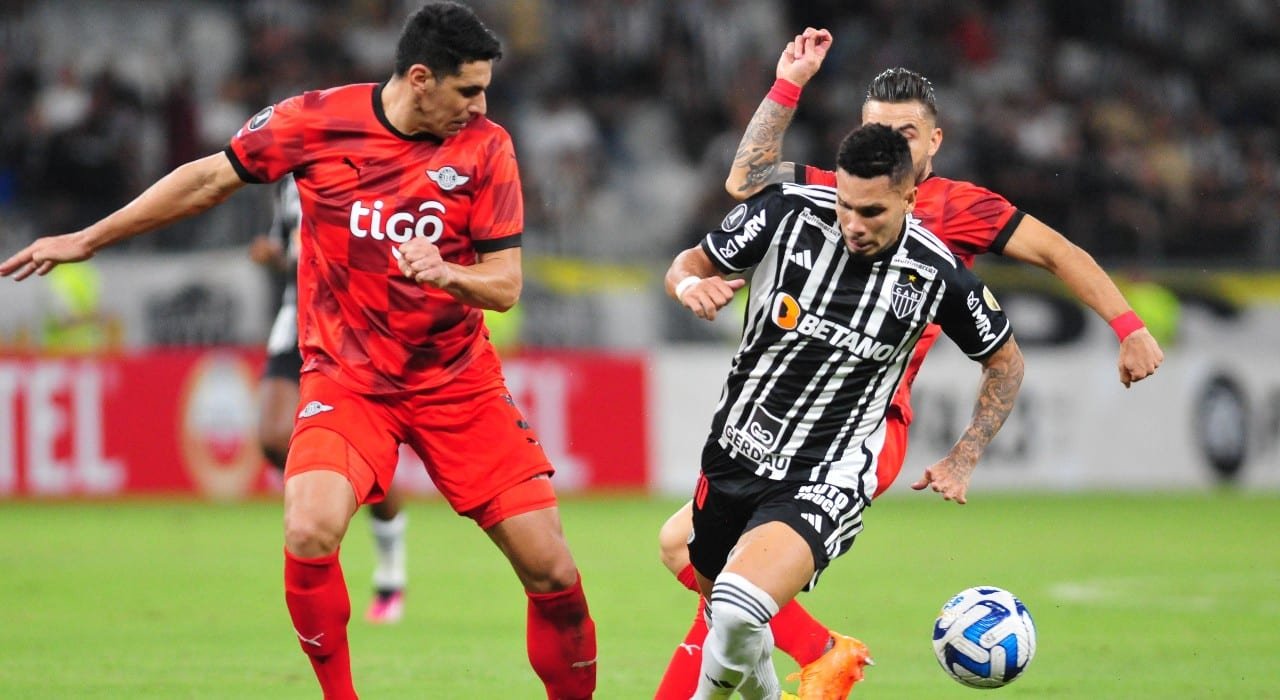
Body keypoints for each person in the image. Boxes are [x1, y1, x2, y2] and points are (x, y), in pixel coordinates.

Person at [1, 4, 598, 699]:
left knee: (551, 569)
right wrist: (86, 239)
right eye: (468, 90)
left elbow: (505, 286)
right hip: (347, 380)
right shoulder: (313, 122)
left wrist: (448, 273)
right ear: (419, 79)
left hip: (456, 384)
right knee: (310, 527)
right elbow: (206, 180)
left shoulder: (487, 147)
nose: (482, 105)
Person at [654, 28, 1165, 699]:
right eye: (877, 130)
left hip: (867, 424)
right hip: (764, 429)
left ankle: (816, 650)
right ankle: (815, 653)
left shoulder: (958, 218)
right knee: (693, 563)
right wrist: (789, 84)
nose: (891, 144)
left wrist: (1128, 325)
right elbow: (745, 180)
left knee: (738, 596)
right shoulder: (837, 196)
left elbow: (1058, 257)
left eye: (905, 132)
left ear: (933, 144)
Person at [667, 122, 1025, 699]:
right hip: (734, 453)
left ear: (910, 197)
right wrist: (689, 287)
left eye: (873, 212)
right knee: (723, 606)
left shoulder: (937, 275)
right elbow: (688, 262)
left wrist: (966, 454)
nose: (855, 225)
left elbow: (1005, 362)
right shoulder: (785, 214)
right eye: (846, 206)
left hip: (826, 472)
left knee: (735, 607)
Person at [252, 174, 409, 625]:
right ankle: (333, 494)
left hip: (356, 323)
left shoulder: (372, 168)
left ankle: (390, 571)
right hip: (298, 316)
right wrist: (273, 257)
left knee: (369, 448)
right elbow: (292, 248)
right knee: (273, 437)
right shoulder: (288, 182)